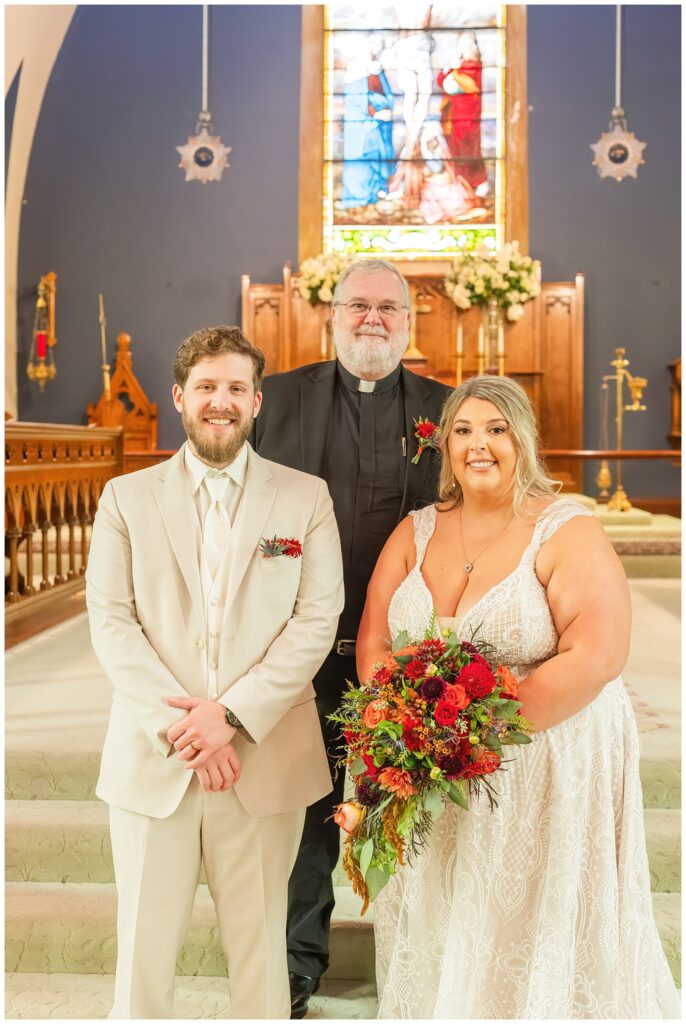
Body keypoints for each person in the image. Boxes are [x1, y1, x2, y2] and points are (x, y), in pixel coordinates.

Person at [357, 374, 680, 1018]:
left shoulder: (564, 530)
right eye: (464, 431)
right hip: (428, 767)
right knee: (447, 907)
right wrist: (399, 725)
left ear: (523, 440)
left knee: (524, 915)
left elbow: (598, 652)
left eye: (497, 430)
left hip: (542, 759)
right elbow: (374, 640)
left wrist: (473, 736)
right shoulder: (415, 531)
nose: (480, 445)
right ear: (443, 445)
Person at [86, 325, 344, 1019]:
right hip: (155, 756)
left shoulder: (305, 498)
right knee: (141, 952)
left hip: (264, 756)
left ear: (258, 401)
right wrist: (187, 728)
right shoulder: (125, 500)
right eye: (206, 387)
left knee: (261, 956)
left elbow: (316, 621)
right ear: (179, 397)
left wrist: (227, 717)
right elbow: (112, 622)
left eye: (236, 388)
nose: (220, 401)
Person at [252, 258, 450, 1017]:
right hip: (299, 644)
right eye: (358, 305)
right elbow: (249, 514)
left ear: (409, 322)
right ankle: (297, 965)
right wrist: (284, 562)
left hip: (408, 652)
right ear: (331, 316)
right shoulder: (281, 399)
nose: (373, 319)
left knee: (411, 806)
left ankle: (421, 960)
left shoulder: (445, 407)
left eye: (388, 309)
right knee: (309, 809)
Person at [437, 31, 488, 196]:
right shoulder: (458, 64)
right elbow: (441, 81)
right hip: (454, 116)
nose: (462, 48)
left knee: (470, 149)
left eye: (465, 44)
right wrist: (449, 69)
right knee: (456, 147)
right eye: (461, 43)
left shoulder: (474, 66)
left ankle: (477, 181)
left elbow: (468, 85)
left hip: (469, 117)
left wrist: (453, 72)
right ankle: (461, 180)